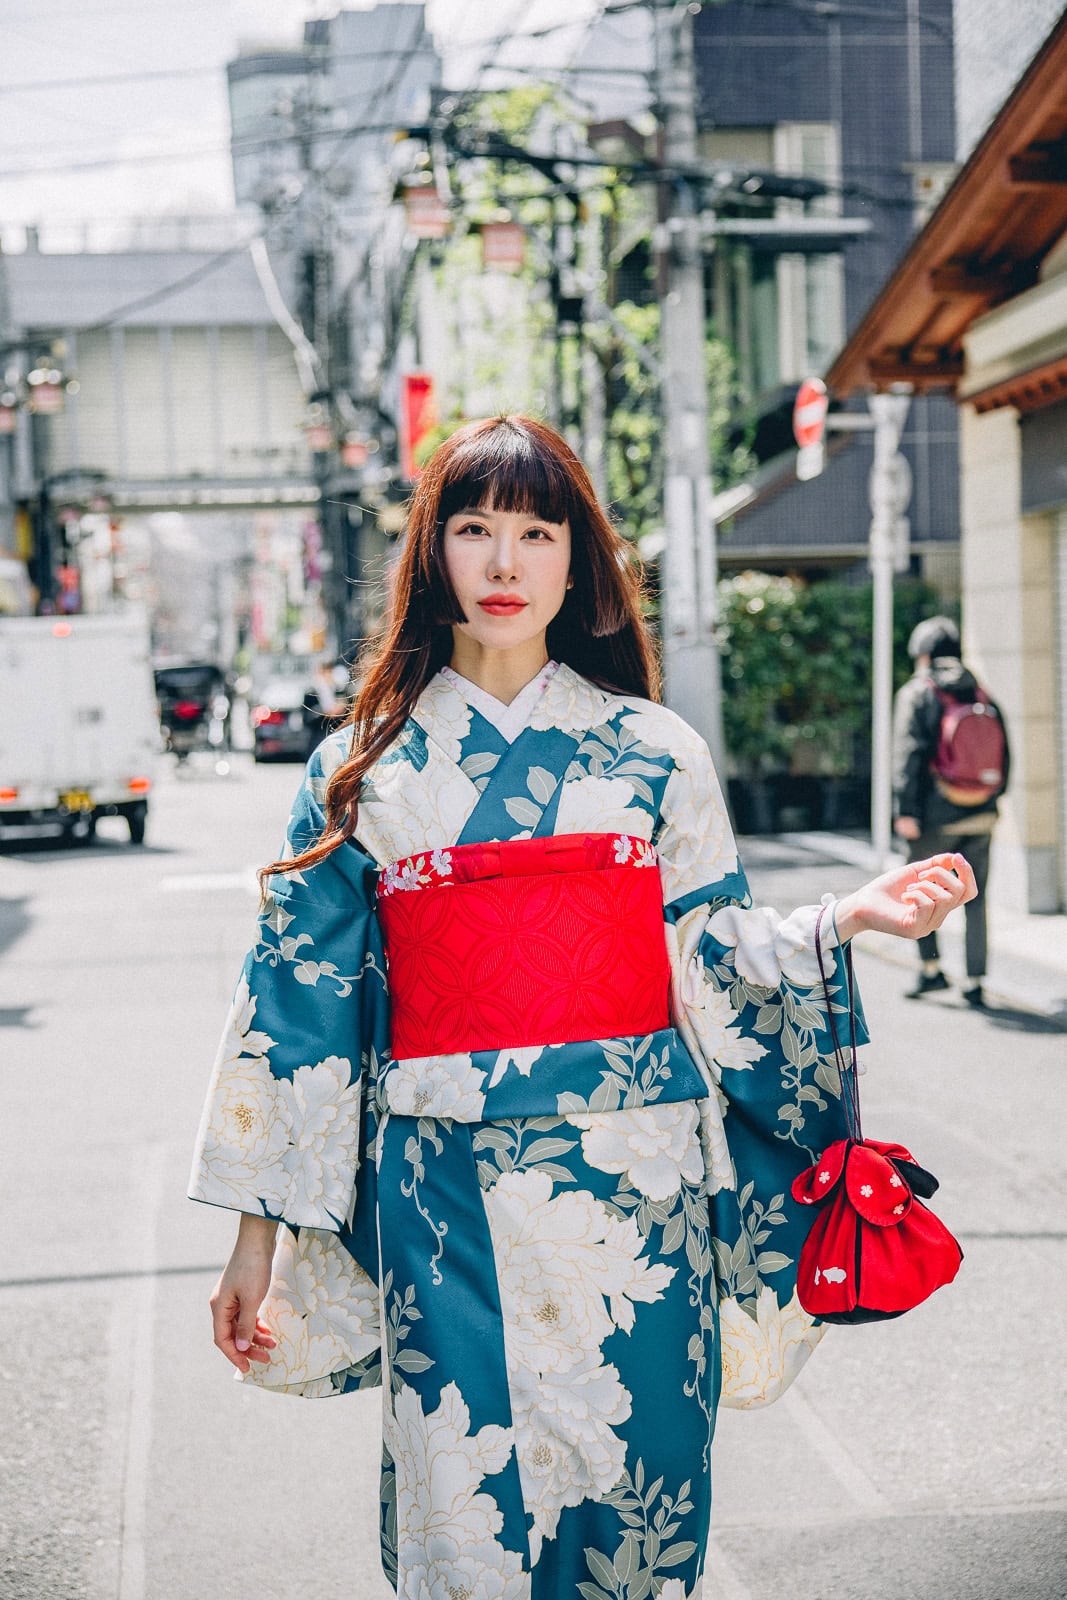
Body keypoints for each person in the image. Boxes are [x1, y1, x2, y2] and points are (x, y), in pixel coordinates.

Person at [189, 417, 974, 1600]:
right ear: (432, 556)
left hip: (634, 1194)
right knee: (469, 1523)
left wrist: (842, 920)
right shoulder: (362, 768)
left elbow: (711, 957)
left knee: (636, 1516)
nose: (503, 563)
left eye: (534, 532)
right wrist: (257, 1241)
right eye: (473, 530)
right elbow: (296, 1004)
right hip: (441, 1201)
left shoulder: (654, 752)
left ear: (576, 560)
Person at [892, 615, 1009, 1009]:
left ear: (922, 655)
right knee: (977, 899)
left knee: (924, 894)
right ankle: (975, 981)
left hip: (934, 817)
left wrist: (905, 810)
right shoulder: (981, 693)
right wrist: (990, 800)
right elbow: (1005, 754)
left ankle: (931, 971)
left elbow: (907, 754)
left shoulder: (918, 692)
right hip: (982, 814)